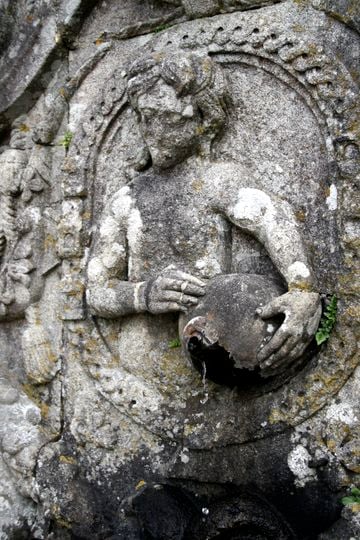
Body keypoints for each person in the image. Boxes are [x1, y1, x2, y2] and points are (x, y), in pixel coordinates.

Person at [87, 51, 321, 376]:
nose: (153, 132)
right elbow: (97, 290)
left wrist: (302, 291)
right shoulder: (127, 199)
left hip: (225, 339)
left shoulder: (218, 180)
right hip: (148, 364)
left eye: (168, 118)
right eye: (144, 117)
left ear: (203, 119)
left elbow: (272, 221)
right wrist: (142, 294)